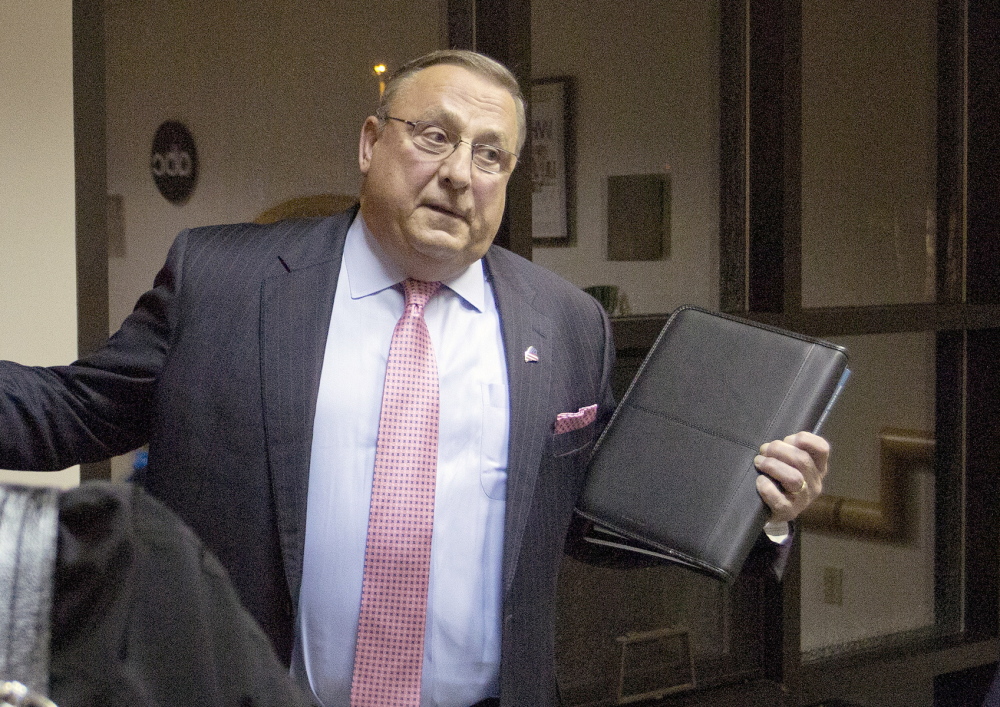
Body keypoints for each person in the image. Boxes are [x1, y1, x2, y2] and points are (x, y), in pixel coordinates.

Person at [0, 49, 828, 706]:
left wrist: (766, 510)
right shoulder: (222, 281)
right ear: (370, 142)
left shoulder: (566, 321)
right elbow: (66, 410)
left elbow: (590, 517)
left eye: (491, 154)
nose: (460, 172)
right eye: (433, 136)